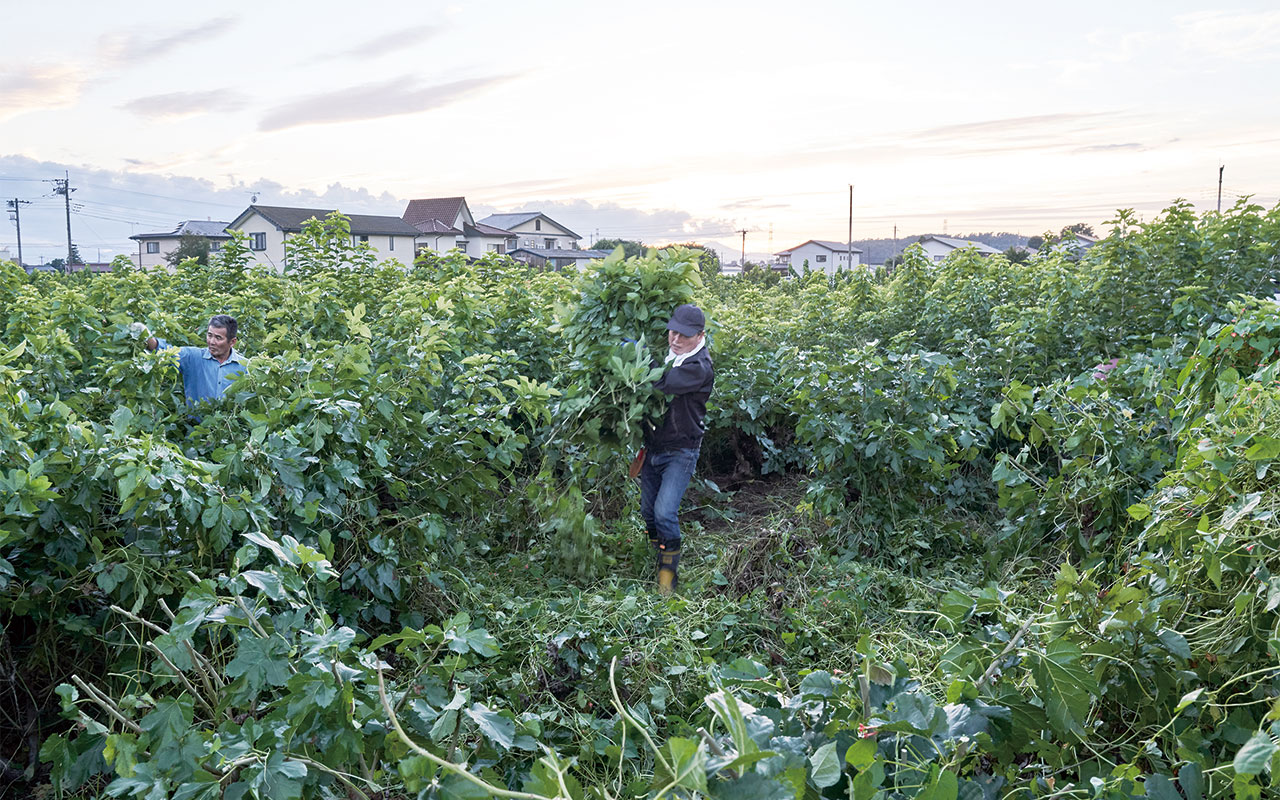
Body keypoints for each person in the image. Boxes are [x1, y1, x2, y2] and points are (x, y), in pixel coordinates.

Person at [641, 304, 714, 594]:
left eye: (683, 336)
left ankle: (667, 580)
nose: (675, 339)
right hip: (654, 448)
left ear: (699, 336)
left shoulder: (699, 367)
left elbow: (662, 382)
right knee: (648, 513)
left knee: (664, 513)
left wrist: (636, 355)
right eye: (673, 332)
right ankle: (658, 553)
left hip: (681, 451)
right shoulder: (671, 355)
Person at [144, 314, 246, 404]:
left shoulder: (245, 366)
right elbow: (164, 351)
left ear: (232, 342)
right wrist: (145, 335)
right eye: (209, 335)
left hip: (229, 425)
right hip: (195, 425)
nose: (211, 342)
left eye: (218, 338)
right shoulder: (193, 357)